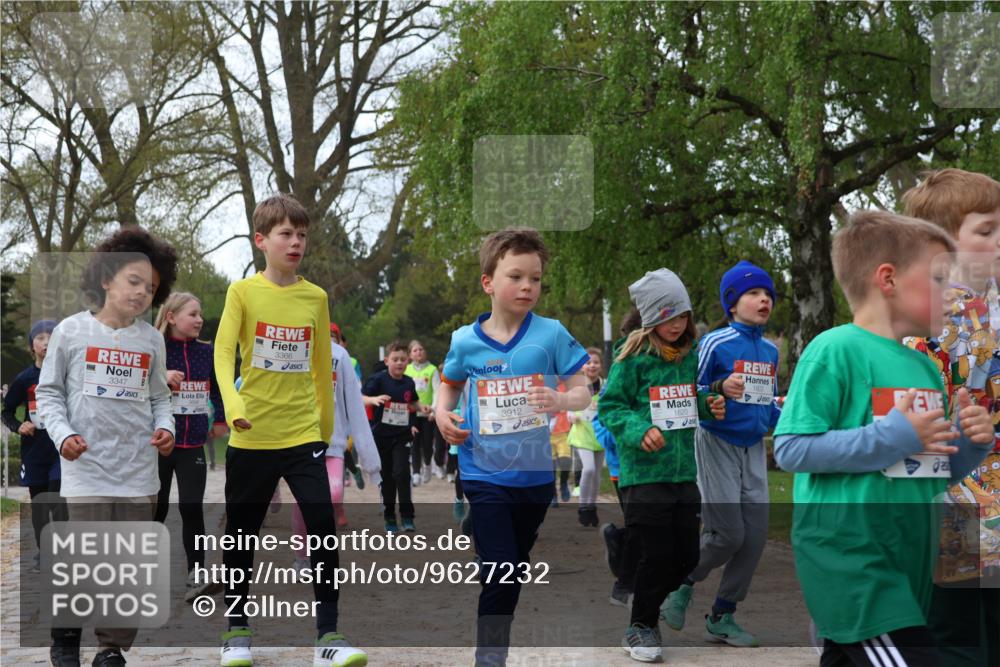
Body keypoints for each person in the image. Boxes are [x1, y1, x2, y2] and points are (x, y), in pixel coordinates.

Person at [774, 210, 994, 666]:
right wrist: (892, 434)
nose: (949, 295)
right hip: (853, 562)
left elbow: (927, 473)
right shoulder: (834, 349)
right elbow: (792, 448)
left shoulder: (921, 368)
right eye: (937, 278)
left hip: (906, 566)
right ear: (888, 279)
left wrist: (970, 447)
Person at [213, 193, 365, 667]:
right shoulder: (242, 293)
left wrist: (324, 432)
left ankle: (329, 637)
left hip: (303, 437)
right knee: (242, 534)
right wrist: (234, 407)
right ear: (261, 240)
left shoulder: (315, 297)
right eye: (285, 234)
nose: (296, 241)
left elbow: (322, 370)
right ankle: (236, 633)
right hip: (252, 434)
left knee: (322, 528)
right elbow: (223, 356)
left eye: (301, 234)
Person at [435, 227, 591, 667]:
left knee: (513, 566)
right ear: (488, 282)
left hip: (535, 477)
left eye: (536, 279)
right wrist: (445, 415)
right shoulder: (465, 341)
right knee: (501, 572)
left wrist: (561, 399)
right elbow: (448, 387)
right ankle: (490, 658)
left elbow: (583, 390)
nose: (527, 287)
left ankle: (484, 537)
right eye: (516, 276)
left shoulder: (552, 334)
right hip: (482, 471)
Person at [37, 227, 178, 667]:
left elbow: (159, 397)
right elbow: (50, 393)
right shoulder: (71, 331)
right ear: (106, 279)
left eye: (151, 288)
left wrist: (166, 427)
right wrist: (62, 436)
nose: (141, 293)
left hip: (138, 471)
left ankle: (110, 648)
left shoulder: (151, 339)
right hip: (87, 469)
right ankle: (65, 641)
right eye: (134, 281)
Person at [899, 168, 1000, 666]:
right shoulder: (918, 331)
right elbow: (909, 451)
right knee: (955, 644)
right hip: (950, 523)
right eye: (986, 230)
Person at [599, 268, 726, 663]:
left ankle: (623, 550)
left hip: (684, 473)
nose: (677, 324)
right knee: (655, 557)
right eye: (668, 316)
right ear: (651, 318)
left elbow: (687, 402)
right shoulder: (632, 360)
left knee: (687, 557)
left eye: (683, 315)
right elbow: (610, 407)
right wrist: (639, 430)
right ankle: (640, 627)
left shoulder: (688, 359)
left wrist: (709, 405)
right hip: (643, 475)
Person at [660, 260, 781, 647]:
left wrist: (796, 416)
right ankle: (679, 584)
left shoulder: (770, 350)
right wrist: (716, 387)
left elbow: (766, 405)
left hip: (753, 448)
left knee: (755, 537)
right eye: (753, 294)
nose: (763, 300)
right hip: (716, 443)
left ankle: (723, 615)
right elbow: (686, 389)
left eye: (768, 295)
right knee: (728, 534)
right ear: (732, 303)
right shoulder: (714, 342)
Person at [291, 325, 381, 567]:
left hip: (333, 441)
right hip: (299, 440)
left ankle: (320, 551)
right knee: (304, 501)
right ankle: (302, 556)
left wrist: (370, 461)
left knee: (334, 494)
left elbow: (353, 403)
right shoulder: (295, 350)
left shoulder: (340, 357)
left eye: (333, 336)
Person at [2, 319, 67, 573]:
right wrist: (19, 426)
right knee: (40, 503)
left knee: (58, 497)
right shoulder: (24, 379)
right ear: (32, 347)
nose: (46, 341)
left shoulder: (67, 374)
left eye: (51, 336)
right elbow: (6, 411)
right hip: (34, 450)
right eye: (40, 338)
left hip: (60, 448)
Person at [363, 341, 422, 532]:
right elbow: (360, 397)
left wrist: (419, 412)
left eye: (403, 360)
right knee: (387, 478)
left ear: (408, 361)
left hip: (402, 436)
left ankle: (407, 516)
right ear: (387, 361)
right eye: (395, 360)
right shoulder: (378, 380)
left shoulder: (408, 382)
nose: (399, 363)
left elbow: (413, 404)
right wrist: (372, 399)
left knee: (402, 474)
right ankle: (389, 517)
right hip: (382, 437)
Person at [568, 347, 605, 527]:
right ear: (582, 366)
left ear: (601, 365)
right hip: (581, 434)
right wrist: (572, 415)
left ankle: (592, 506)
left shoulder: (606, 385)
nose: (592, 365)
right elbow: (568, 405)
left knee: (597, 473)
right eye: (588, 362)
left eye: (596, 362)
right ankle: (583, 506)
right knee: (588, 469)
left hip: (599, 434)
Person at [405, 339, 443, 486]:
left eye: (421, 349)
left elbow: (437, 391)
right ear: (410, 355)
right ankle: (415, 472)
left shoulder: (432, 369)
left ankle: (427, 465)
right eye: (415, 350)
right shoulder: (407, 370)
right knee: (414, 443)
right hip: (411, 412)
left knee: (427, 444)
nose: (418, 352)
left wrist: (434, 409)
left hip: (427, 413)